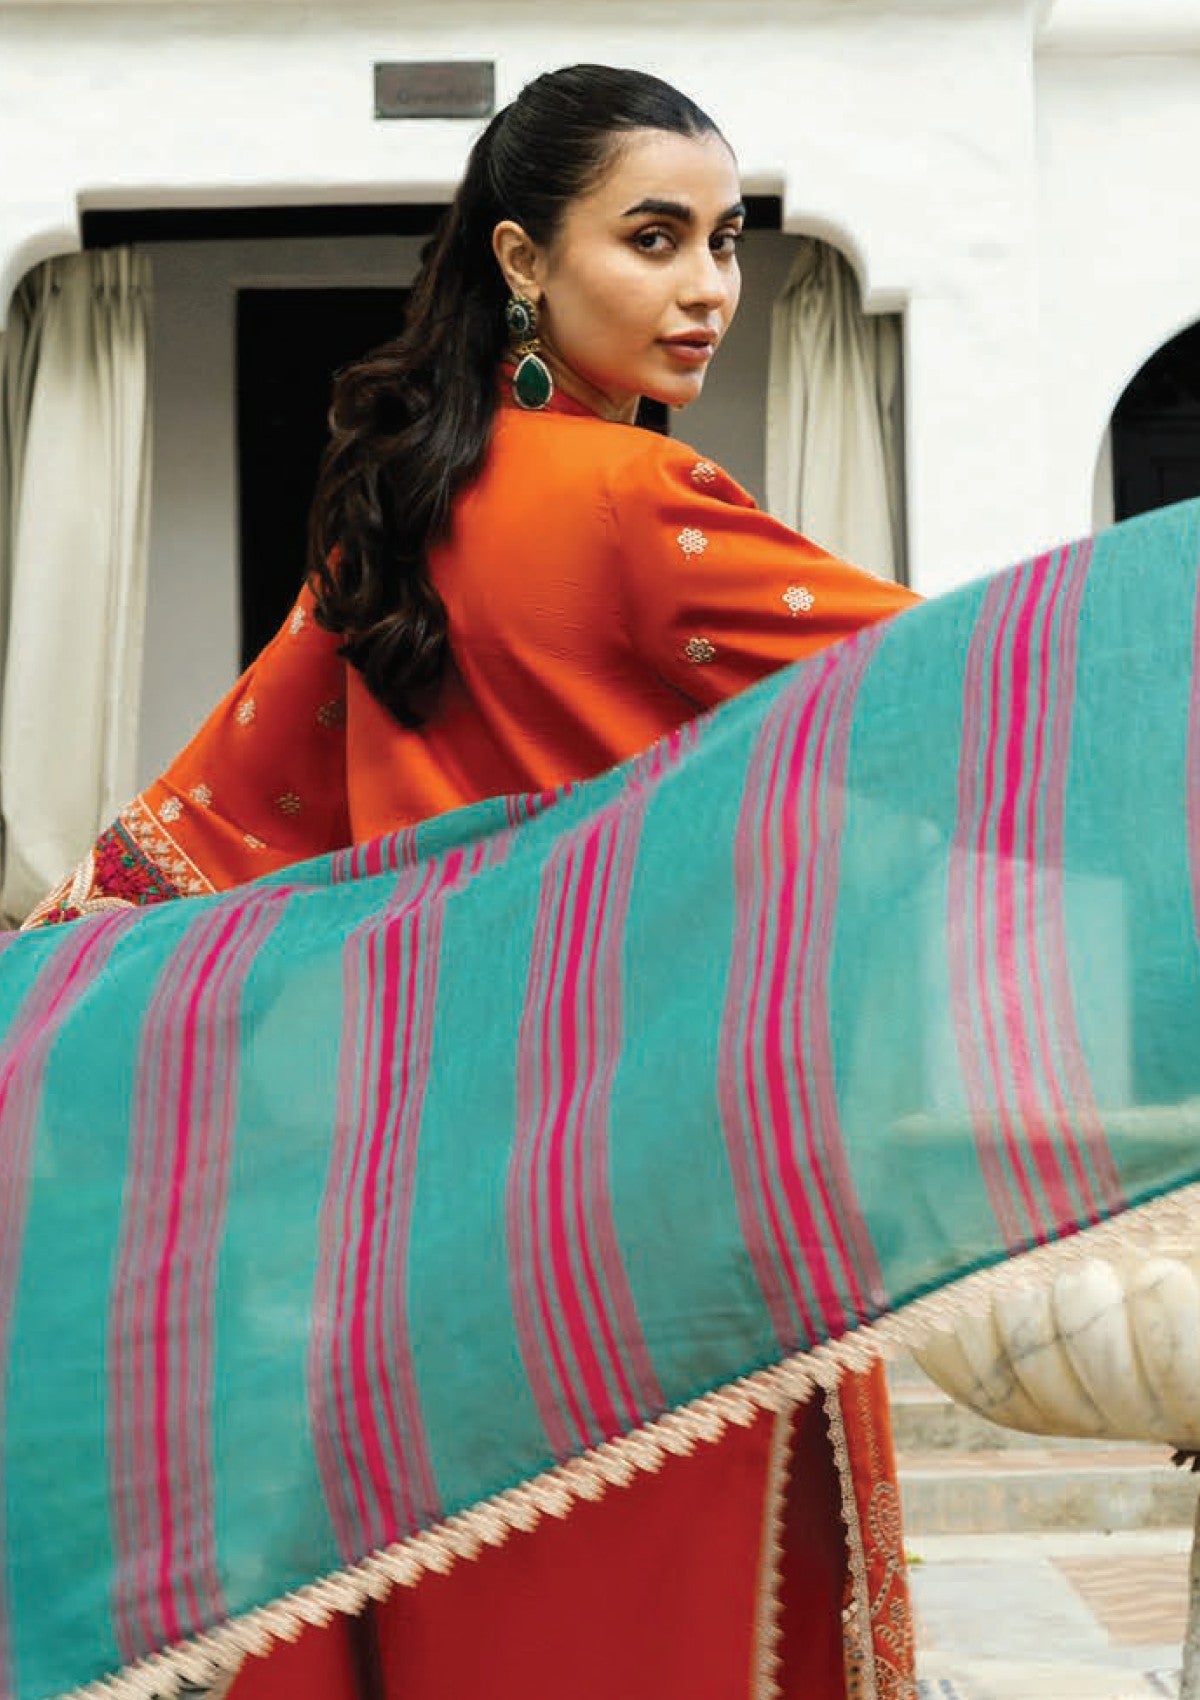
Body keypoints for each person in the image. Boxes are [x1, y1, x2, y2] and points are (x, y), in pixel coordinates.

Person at [28, 65, 921, 1700]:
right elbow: (957, 692)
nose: (708, 288)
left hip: (415, 1216)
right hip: (643, 1205)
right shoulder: (642, 499)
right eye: (652, 239)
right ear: (521, 257)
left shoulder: (391, 523)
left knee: (459, 1621)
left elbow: (180, 850)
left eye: (725, 240)